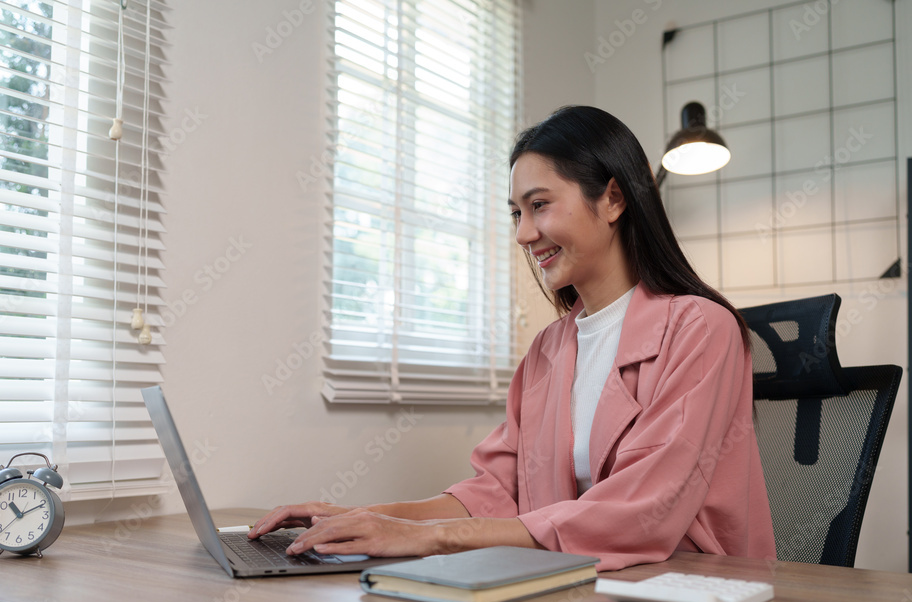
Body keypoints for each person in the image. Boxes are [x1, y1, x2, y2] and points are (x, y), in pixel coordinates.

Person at [249, 106, 776, 571]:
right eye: (516, 213)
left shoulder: (701, 329)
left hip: (691, 599)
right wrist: (362, 518)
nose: (524, 234)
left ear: (614, 199)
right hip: (582, 590)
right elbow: (498, 492)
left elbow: (642, 511)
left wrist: (431, 538)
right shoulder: (548, 351)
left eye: (539, 205)